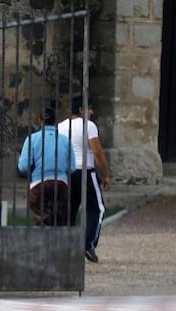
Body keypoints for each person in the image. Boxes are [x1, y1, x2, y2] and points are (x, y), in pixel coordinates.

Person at [58, 96, 111, 263]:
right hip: (86, 171)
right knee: (97, 209)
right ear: (81, 110)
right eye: (90, 109)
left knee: (70, 210)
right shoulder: (89, 126)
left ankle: (66, 247)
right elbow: (97, 152)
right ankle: (88, 244)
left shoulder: (61, 126)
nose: (92, 112)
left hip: (67, 172)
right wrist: (106, 174)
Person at [18, 108, 75, 226]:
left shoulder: (32, 139)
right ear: (55, 122)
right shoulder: (65, 140)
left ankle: (43, 225)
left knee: (39, 210)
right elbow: (72, 168)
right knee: (60, 214)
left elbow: (23, 167)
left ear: (40, 121)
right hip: (61, 184)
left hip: (39, 183)